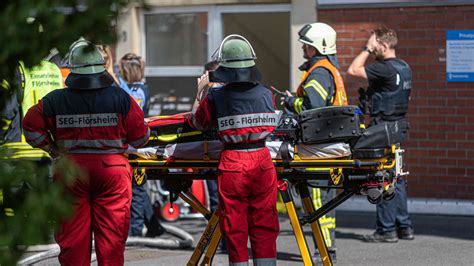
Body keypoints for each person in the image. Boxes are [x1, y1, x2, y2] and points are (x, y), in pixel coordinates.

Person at [22, 40, 150, 265]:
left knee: (73, 240)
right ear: (101, 67)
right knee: (111, 241)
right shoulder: (121, 98)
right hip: (112, 172)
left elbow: (30, 125)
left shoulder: (55, 100)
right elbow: (140, 138)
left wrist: (51, 148)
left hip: (71, 173)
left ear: (71, 68)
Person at [187, 34, 279, 266]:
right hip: (262, 160)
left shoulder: (217, 96)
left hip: (233, 163)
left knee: (235, 227)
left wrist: (201, 91)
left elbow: (198, 123)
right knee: (265, 224)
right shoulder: (267, 93)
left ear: (225, 67)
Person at [281, 22, 348, 261]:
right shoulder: (327, 68)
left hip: (318, 146)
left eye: (306, 45)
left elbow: (313, 108)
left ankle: (324, 250)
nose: (303, 48)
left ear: (317, 47)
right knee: (325, 202)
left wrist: (289, 102)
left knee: (318, 200)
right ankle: (327, 247)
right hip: (329, 143)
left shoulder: (319, 71)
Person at [347, 25, 414, 242]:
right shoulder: (404, 67)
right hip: (398, 126)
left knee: (381, 174)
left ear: (384, 46)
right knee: (397, 176)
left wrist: (366, 49)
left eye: (375, 46)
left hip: (383, 128)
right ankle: (404, 227)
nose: (372, 50)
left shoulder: (384, 68)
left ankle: (386, 230)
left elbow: (353, 70)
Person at [119, 52, 165, 237]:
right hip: (134, 144)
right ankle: (154, 226)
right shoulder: (139, 88)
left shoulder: (131, 91)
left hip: (133, 146)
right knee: (138, 186)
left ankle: (136, 231)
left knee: (136, 189)